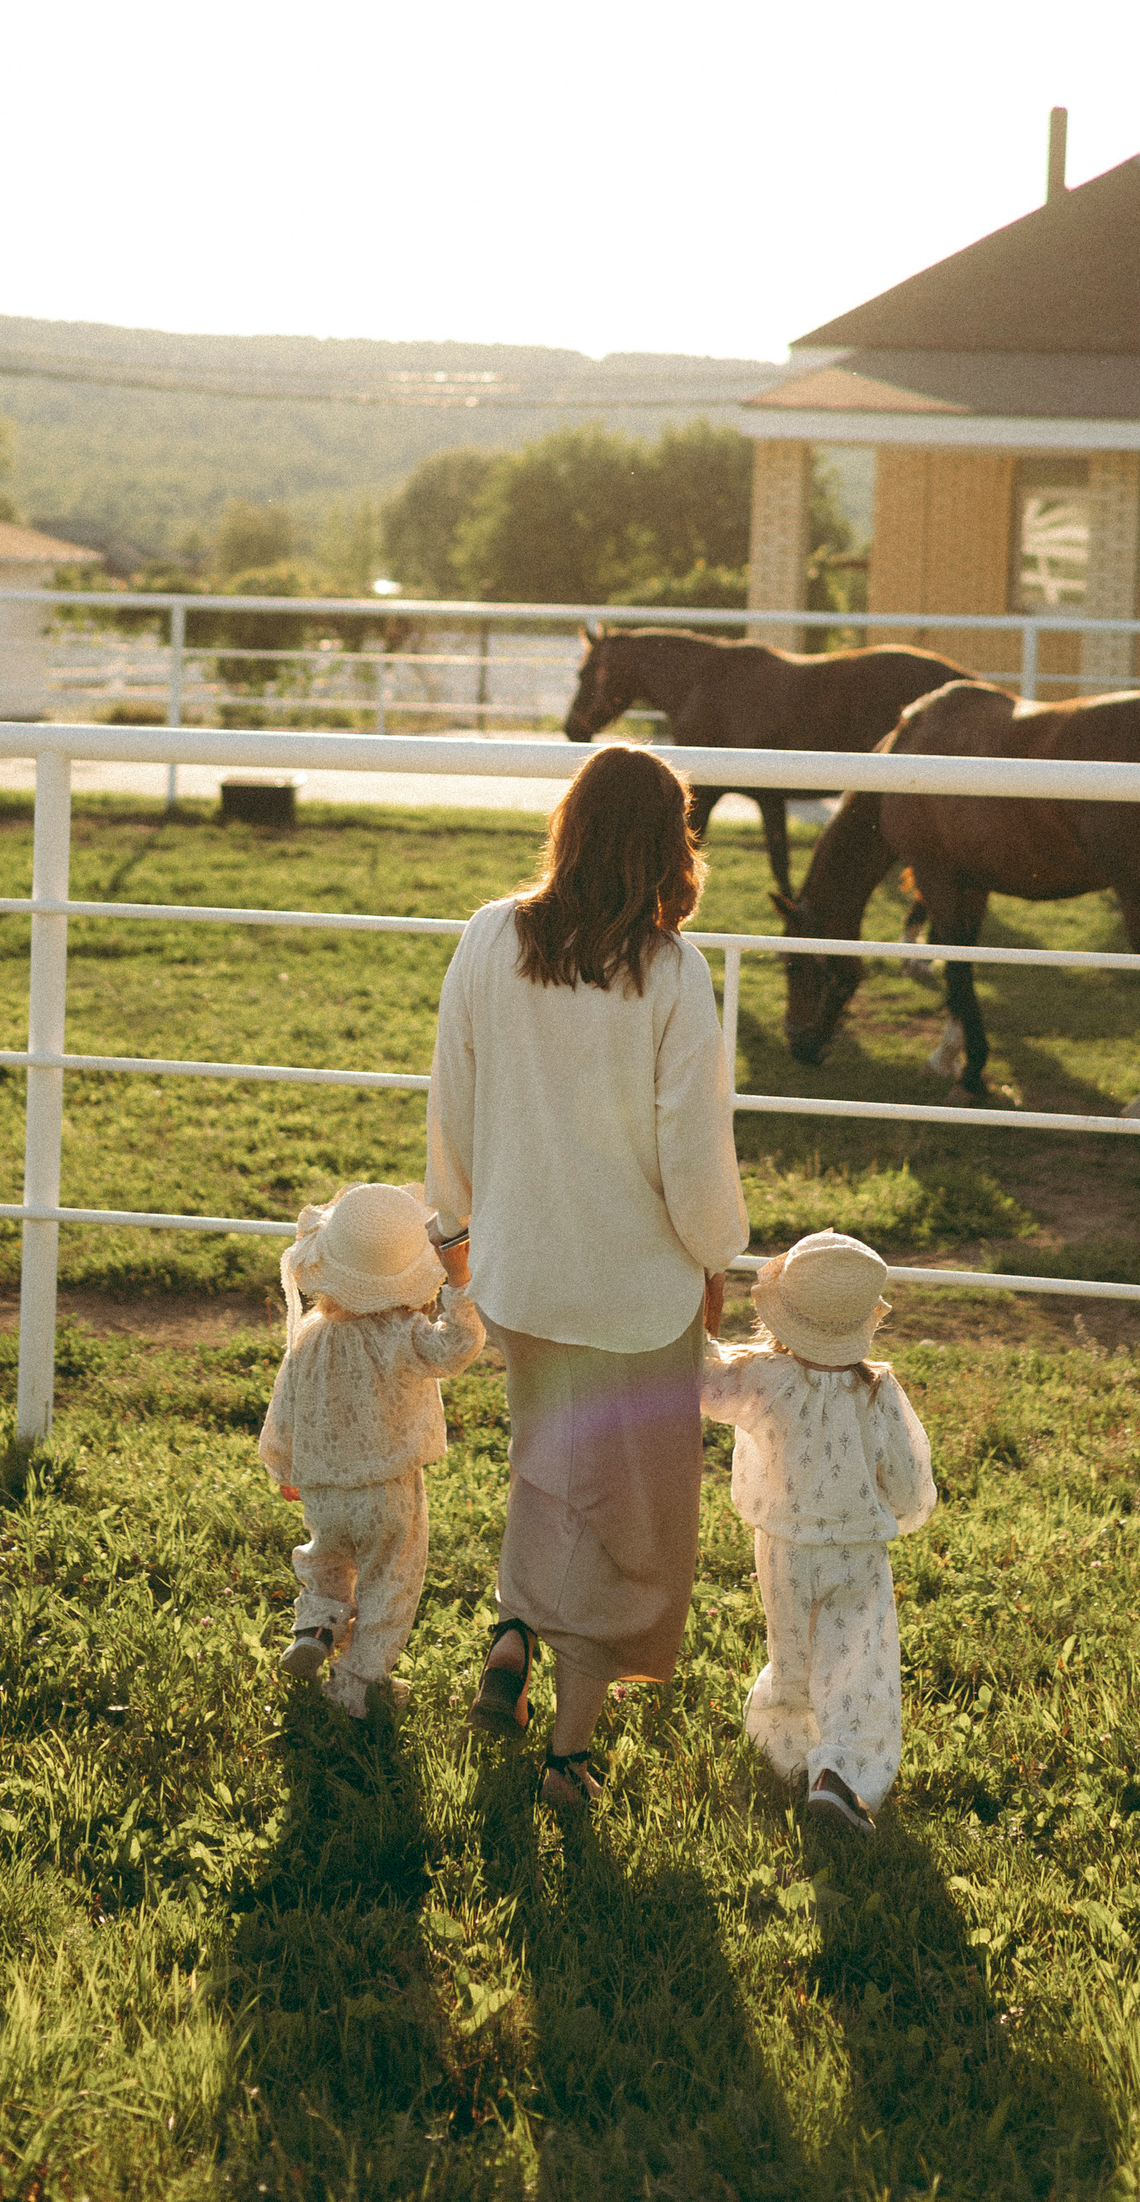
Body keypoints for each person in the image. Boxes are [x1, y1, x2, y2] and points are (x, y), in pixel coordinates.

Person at [426, 742, 750, 1817]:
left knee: (546, 1458)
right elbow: (690, 1145)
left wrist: (464, 1225)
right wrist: (714, 1252)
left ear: (568, 826)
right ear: (669, 842)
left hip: (523, 1265)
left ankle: (516, 1630)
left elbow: (454, 1097)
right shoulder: (670, 972)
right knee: (630, 1510)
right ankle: (570, 1747)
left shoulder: (488, 935)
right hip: (631, 1278)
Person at [700, 1232, 937, 1840]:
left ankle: (790, 1751)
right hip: (858, 1548)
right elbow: (908, 1478)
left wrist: (705, 1299)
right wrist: (904, 1510)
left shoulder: (761, 1376)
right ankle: (841, 1774)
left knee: (796, 1654)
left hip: (782, 1548)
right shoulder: (877, 1389)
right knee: (860, 1662)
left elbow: (700, 1378)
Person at [257, 1181, 485, 1717]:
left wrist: (284, 1466)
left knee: (326, 1556)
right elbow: (458, 1347)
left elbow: (282, 1409)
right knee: (391, 1584)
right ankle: (357, 1684)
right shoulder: (402, 1335)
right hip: (389, 1491)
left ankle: (316, 1622)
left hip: (322, 1489)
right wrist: (460, 1282)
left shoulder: (309, 1335)